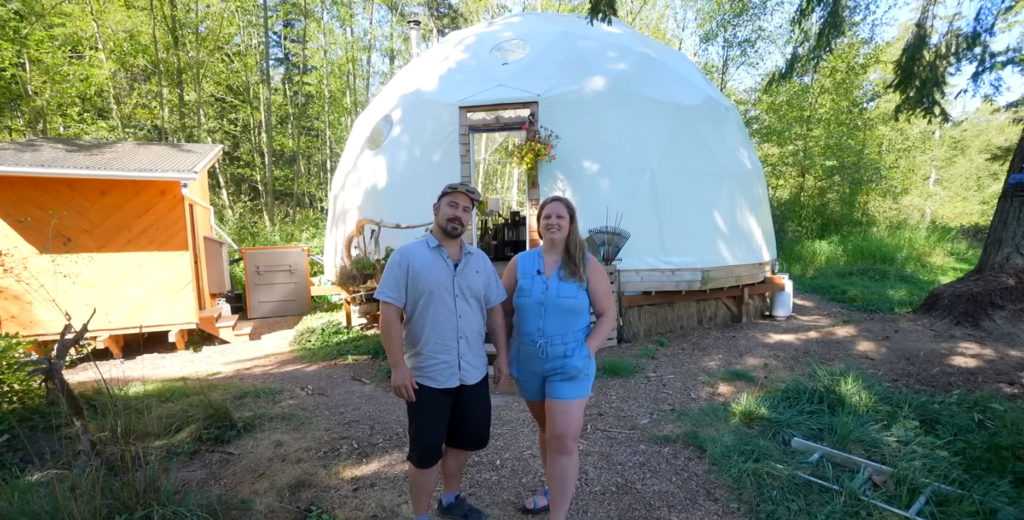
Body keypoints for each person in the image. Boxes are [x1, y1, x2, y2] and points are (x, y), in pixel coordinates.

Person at [374, 182, 510, 520]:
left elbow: (494, 311)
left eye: (466, 210)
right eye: (452, 205)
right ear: (436, 209)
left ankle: (450, 500)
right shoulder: (408, 257)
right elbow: (389, 312)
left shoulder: (479, 261)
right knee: (425, 453)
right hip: (427, 376)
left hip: (473, 372)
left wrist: (502, 359)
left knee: (467, 439)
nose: (458, 214)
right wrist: (397, 366)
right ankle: (421, 516)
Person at [500, 195, 616, 519]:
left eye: (559, 217)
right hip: (530, 362)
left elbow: (607, 314)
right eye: (547, 216)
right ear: (539, 224)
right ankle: (553, 488)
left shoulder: (586, 264)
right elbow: (502, 312)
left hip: (570, 363)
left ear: (570, 223)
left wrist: (587, 350)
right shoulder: (519, 264)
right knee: (547, 430)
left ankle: (558, 515)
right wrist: (504, 354)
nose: (552, 221)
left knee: (563, 439)